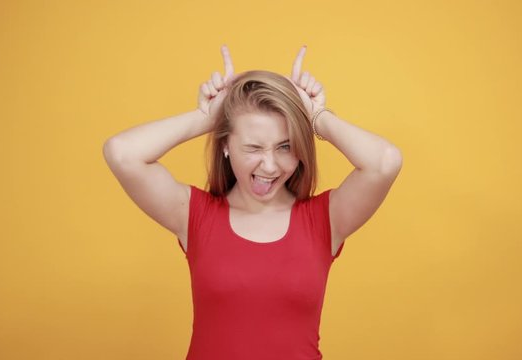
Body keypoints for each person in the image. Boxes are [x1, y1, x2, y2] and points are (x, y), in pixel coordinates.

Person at [103, 45, 403, 360]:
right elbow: (122, 153)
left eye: (285, 146)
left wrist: (315, 117)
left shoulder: (325, 220)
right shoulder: (194, 215)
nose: (270, 166)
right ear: (225, 145)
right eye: (253, 147)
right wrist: (205, 118)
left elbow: (385, 162)